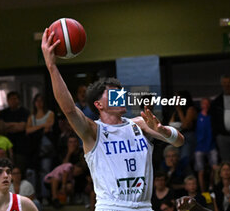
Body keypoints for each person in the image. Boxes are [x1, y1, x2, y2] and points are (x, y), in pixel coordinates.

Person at [41, 29, 184, 211]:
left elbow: (180, 141)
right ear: (98, 104)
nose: (120, 96)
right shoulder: (93, 131)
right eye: (113, 93)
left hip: (144, 207)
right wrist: (52, 67)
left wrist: (163, 131)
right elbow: (69, 109)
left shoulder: (139, 124)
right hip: (111, 207)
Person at [25, 93, 55, 201]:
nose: (39, 103)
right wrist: (42, 126)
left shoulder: (50, 113)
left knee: (45, 171)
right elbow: (28, 130)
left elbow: (49, 126)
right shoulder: (31, 117)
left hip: (46, 147)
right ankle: (35, 196)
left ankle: (45, 195)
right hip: (35, 148)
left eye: (41, 101)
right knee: (33, 172)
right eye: (37, 101)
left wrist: (36, 128)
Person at [0, 91, 30, 172]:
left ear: (18, 100)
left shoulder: (24, 112)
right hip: (6, 146)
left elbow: (22, 127)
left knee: (19, 169)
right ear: (8, 101)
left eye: (15, 99)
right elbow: (1, 127)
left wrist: (8, 125)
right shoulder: (3, 113)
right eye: (11, 99)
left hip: (20, 146)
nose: (13, 101)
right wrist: (16, 124)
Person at [194, 98, 218, 192]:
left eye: (208, 104)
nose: (206, 105)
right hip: (199, 146)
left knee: (215, 167)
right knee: (201, 170)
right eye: (204, 104)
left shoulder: (212, 117)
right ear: (201, 105)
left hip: (211, 145)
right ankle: (203, 191)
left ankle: (211, 187)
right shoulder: (197, 117)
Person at [169, 90, 197, 160]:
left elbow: (186, 125)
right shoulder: (175, 111)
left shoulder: (190, 109)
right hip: (177, 135)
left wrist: (179, 111)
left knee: (185, 156)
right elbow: (170, 123)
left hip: (188, 136)